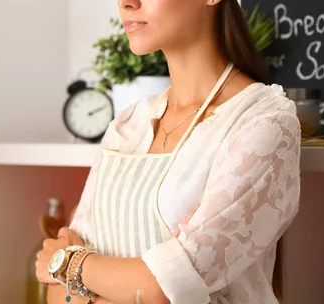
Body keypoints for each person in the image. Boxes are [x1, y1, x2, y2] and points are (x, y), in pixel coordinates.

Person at [35, 0, 302, 303]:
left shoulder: (262, 122)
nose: (126, 3)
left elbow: (164, 288)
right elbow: (56, 293)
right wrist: (85, 270)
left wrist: (71, 264)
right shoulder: (127, 124)